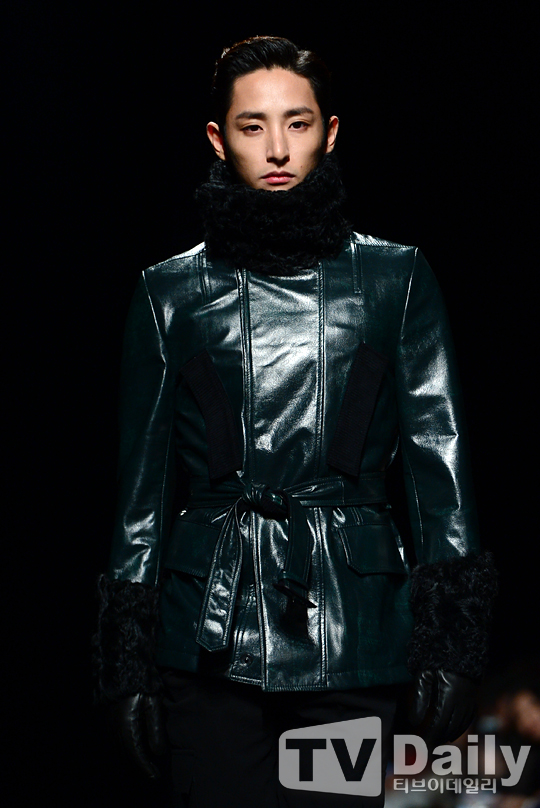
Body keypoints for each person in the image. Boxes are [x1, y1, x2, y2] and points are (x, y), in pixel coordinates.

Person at [93, 35, 497, 807]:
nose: (277, 148)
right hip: (208, 632)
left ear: (330, 131)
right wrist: (127, 663)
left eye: (298, 122)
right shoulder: (167, 293)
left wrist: (452, 643)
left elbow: (439, 474)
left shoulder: (397, 279)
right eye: (252, 126)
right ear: (218, 138)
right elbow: (140, 497)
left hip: (355, 627)